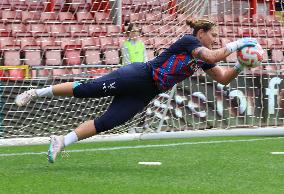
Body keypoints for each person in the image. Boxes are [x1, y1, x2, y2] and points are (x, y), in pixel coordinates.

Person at [15, 18, 258, 163]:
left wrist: (239, 64)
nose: (216, 39)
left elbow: (224, 78)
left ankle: (60, 141)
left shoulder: (204, 58)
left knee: (108, 122)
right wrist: (239, 44)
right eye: (213, 35)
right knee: (88, 90)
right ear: (201, 33)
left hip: (147, 92)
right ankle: (36, 93)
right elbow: (215, 54)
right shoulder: (189, 42)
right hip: (137, 75)